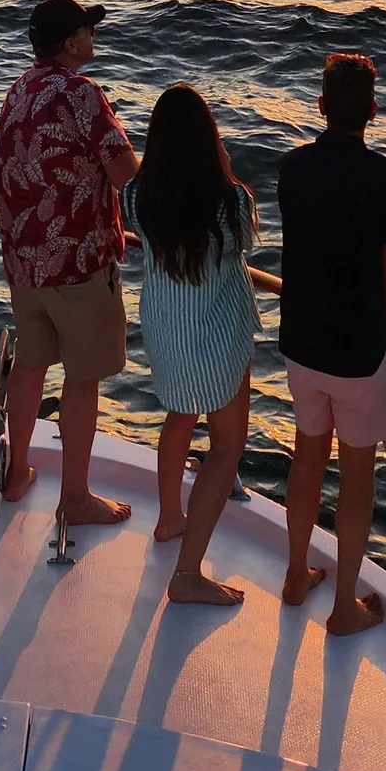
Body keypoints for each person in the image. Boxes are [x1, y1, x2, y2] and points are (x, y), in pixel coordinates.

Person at [274, 50, 386, 637]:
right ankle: (343, 609)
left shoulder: (291, 168)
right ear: (373, 111)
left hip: (302, 341)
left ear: (321, 106)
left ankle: (295, 575)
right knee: (356, 477)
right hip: (359, 351)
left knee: (308, 458)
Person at [0, 0, 140, 524]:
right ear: (70, 43)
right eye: (86, 30)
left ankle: (16, 474)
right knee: (82, 379)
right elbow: (126, 174)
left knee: (30, 366)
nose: (92, 36)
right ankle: (74, 499)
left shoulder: (18, 89)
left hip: (24, 262)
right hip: (77, 264)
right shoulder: (82, 94)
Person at [124, 84, 259, 606]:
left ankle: (169, 518)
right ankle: (186, 573)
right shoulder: (229, 202)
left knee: (179, 416)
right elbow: (243, 242)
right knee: (226, 446)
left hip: (167, 327)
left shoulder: (136, 196)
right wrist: (225, 168)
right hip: (218, 331)